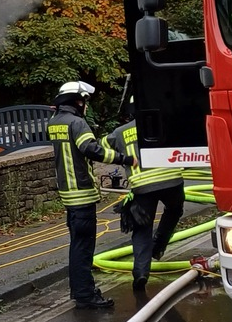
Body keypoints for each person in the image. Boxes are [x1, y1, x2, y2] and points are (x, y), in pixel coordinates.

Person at [47, 81, 136, 309]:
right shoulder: (77, 123)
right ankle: (85, 296)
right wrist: (124, 158)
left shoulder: (55, 122)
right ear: (77, 101)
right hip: (82, 194)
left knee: (77, 246)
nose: (85, 106)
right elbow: (92, 149)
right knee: (84, 248)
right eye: (84, 101)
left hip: (68, 194)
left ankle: (80, 290)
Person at [105, 98, 185, 291]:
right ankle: (158, 246)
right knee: (174, 210)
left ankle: (141, 273)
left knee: (142, 228)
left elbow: (100, 147)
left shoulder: (120, 132)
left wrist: (122, 155)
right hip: (171, 180)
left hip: (142, 186)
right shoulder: (163, 122)